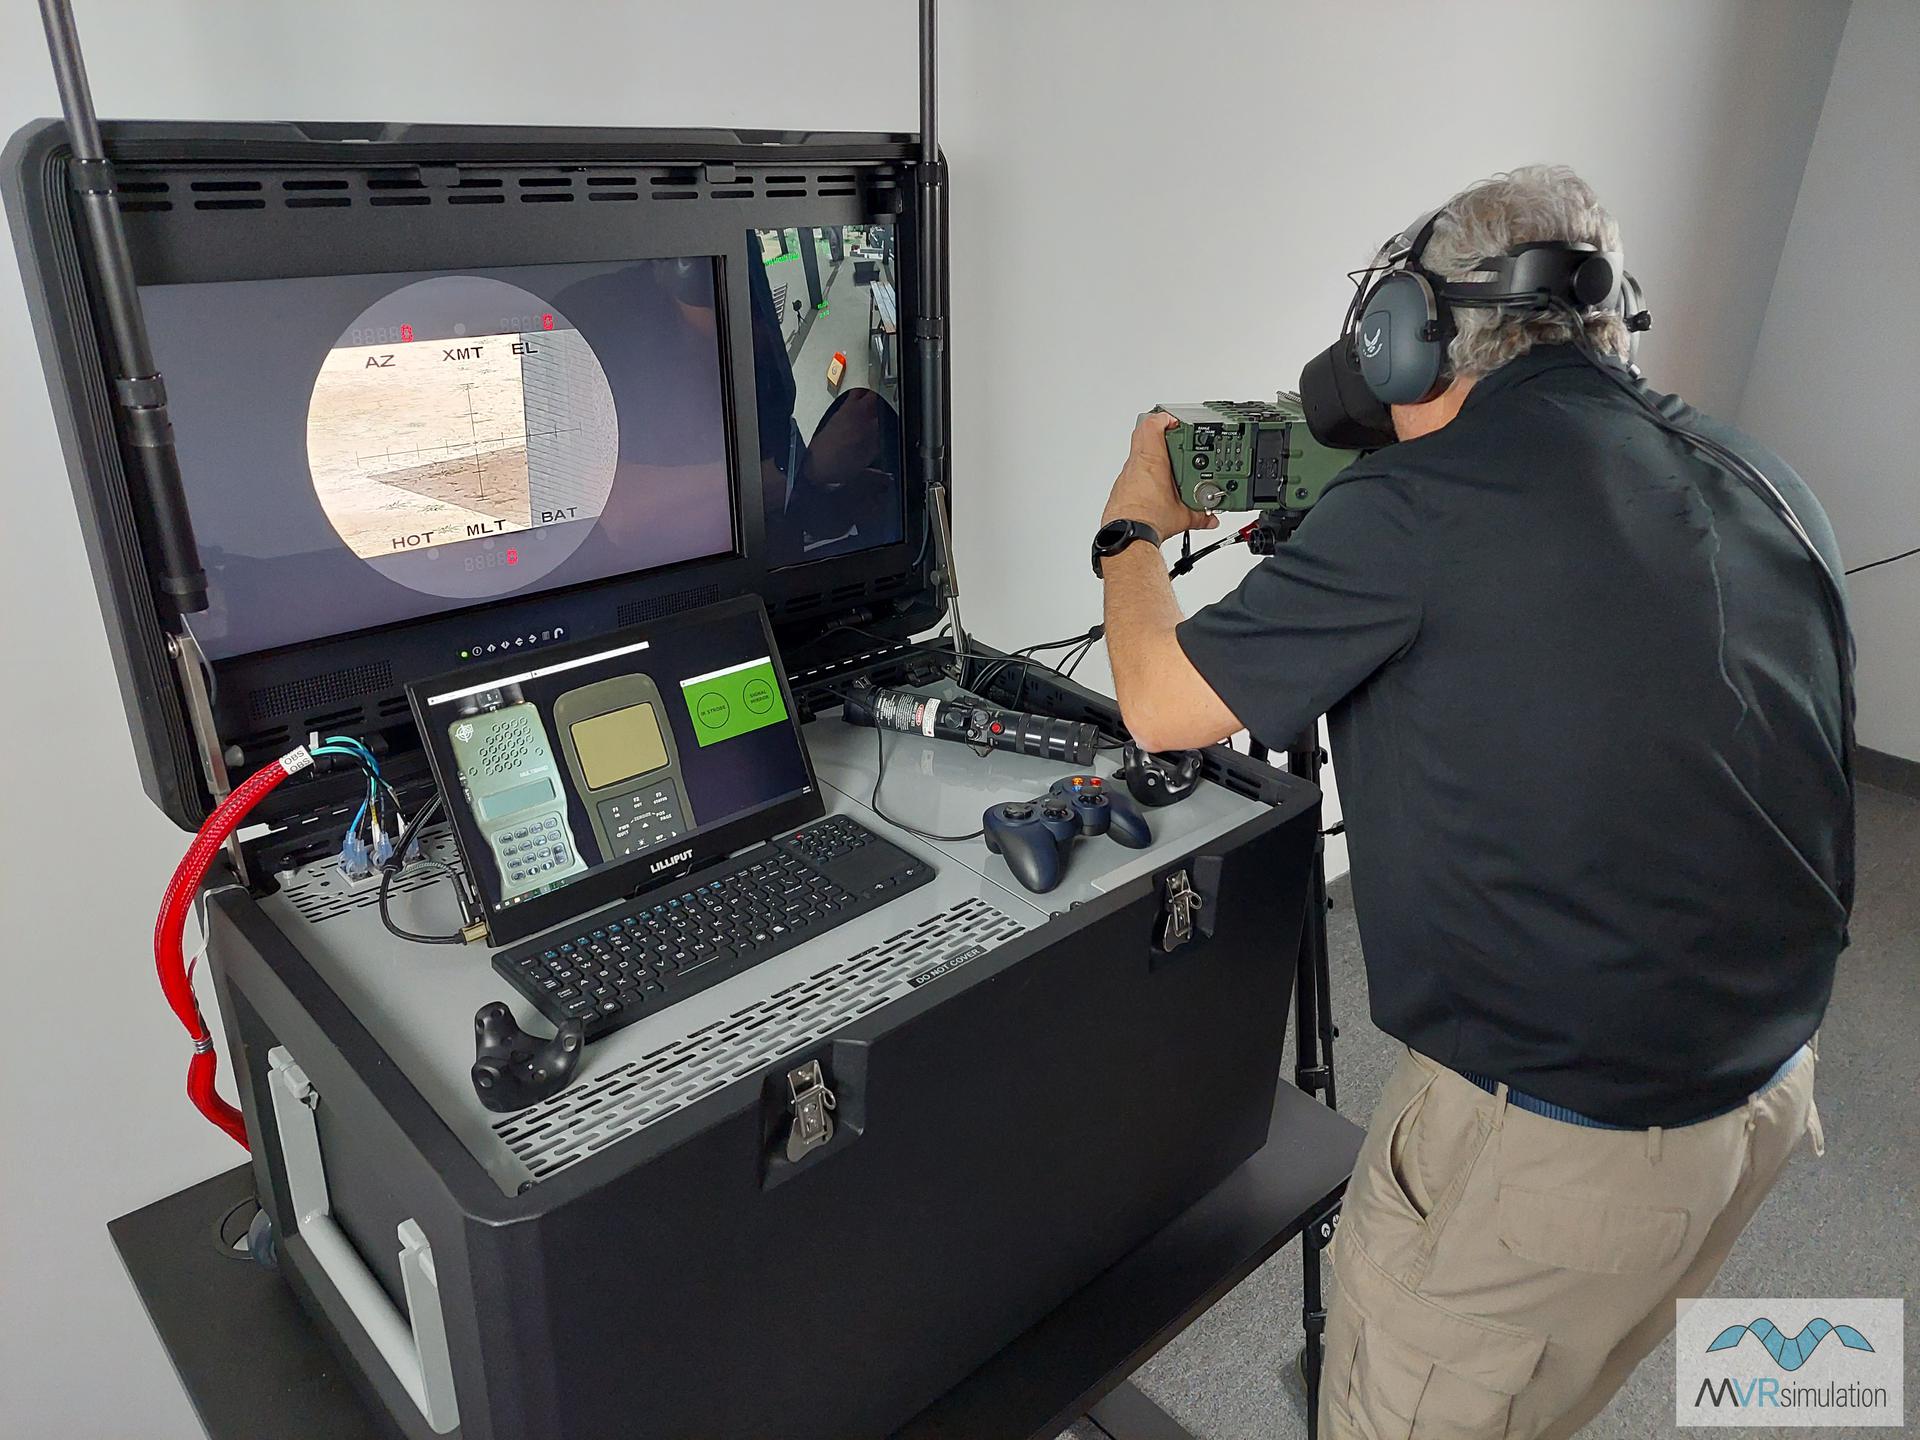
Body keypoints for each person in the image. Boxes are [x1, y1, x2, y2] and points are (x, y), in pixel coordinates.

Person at [1094, 166, 1850, 1438]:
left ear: (1407, 337)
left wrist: (1131, 525)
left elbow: (1162, 702)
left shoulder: (1419, 512)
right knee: (1542, 1394)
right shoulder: (1760, 472)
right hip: (1762, 1101)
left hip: (1563, 1155)